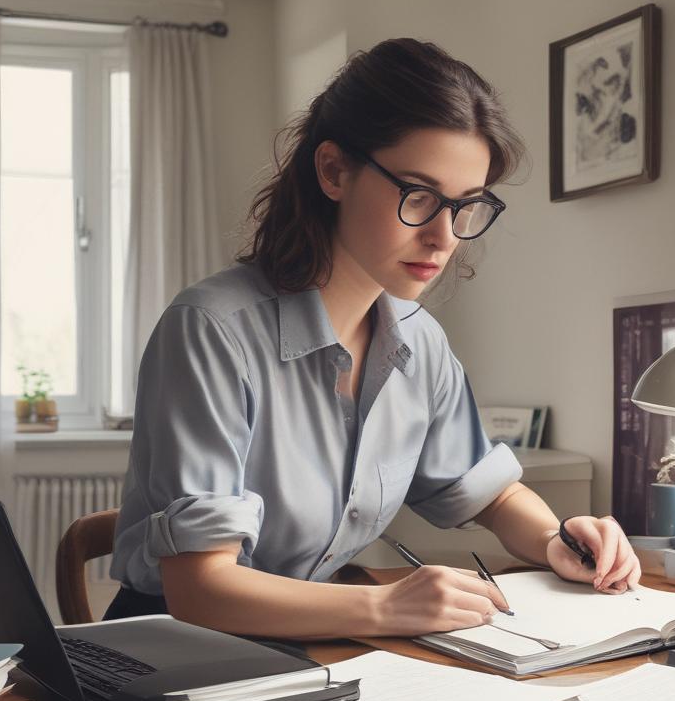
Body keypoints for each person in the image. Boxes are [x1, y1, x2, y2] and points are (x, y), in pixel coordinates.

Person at [107, 37, 641, 639]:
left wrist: (555, 539)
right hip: (176, 662)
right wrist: (385, 609)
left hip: (315, 650)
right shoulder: (211, 331)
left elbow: (488, 492)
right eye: (418, 195)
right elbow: (201, 587)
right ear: (334, 170)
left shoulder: (420, 342)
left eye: (465, 206)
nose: (444, 237)